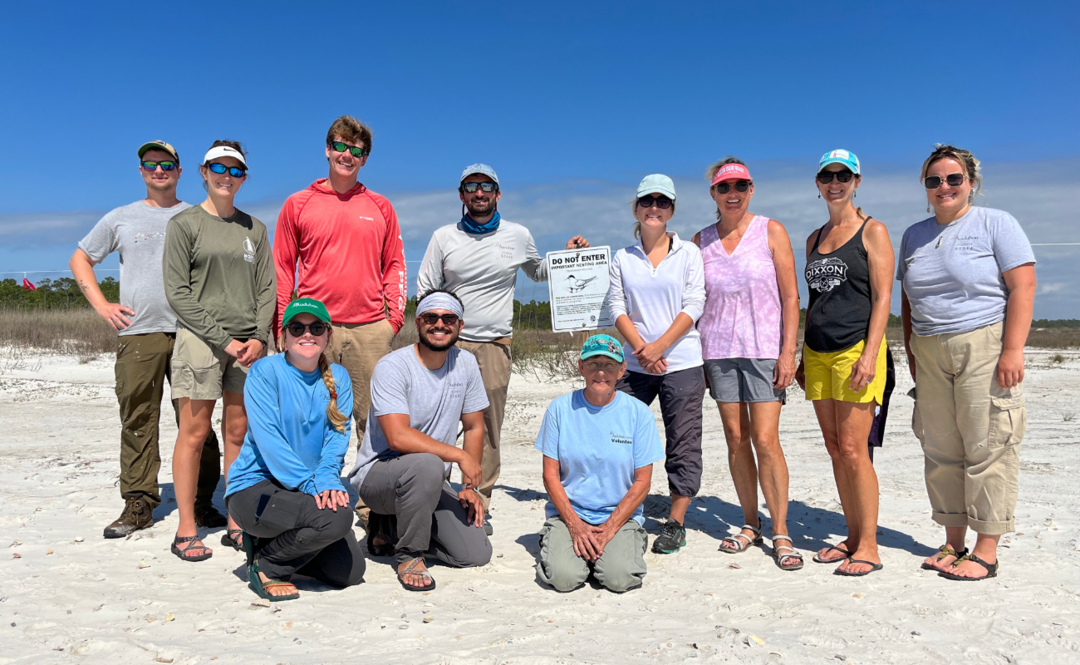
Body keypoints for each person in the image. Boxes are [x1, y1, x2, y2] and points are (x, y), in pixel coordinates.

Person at [416, 163, 588, 531]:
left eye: (487, 186)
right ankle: (433, 493)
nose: (479, 193)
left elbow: (538, 272)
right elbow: (426, 288)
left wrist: (567, 255)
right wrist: (436, 330)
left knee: (488, 427)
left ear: (498, 193)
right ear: (461, 195)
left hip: (495, 344)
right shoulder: (444, 236)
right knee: (438, 422)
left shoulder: (518, 234)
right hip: (450, 344)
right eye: (471, 187)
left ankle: (479, 498)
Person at [69, 140, 224, 538]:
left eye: (167, 164)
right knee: (138, 418)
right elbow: (80, 258)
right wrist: (103, 305)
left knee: (198, 423)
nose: (159, 170)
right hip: (140, 332)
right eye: (151, 164)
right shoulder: (121, 218)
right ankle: (138, 502)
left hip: (193, 332)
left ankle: (203, 502)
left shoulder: (197, 215)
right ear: (141, 170)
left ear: (180, 170)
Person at [899, 145, 1035, 581]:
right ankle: (952, 541)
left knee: (988, 444)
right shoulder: (914, 234)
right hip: (929, 347)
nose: (944, 187)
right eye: (934, 180)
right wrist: (912, 353)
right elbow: (907, 299)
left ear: (971, 183)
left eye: (953, 179)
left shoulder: (996, 223)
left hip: (984, 343)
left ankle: (986, 550)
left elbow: (1023, 286)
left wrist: (1013, 349)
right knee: (940, 448)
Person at [163, 141, 275, 561]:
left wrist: (259, 337)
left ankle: (236, 518)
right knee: (194, 433)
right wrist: (222, 339)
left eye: (235, 170)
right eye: (218, 168)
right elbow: (178, 292)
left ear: (244, 177)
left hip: (248, 345)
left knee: (239, 433)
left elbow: (268, 288)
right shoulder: (185, 224)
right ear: (203, 171)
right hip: (200, 341)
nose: (226, 176)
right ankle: (186, 527)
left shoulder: (255, 229)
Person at [691, 159, 802, 570]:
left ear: (751, 189)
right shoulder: (699, 240)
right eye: (724, 187)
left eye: (740, 185)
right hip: (717, 350)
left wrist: (789, 351)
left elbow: (791, 297)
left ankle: (781, 530)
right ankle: (750, 522)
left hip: (764, 349)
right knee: (736, 439)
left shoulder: (770, 230)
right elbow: (686, 295)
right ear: (713, 194)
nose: (732, 193)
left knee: (766, 440)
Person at [273, 115, 406, 450]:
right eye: (341, 147)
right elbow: (283, 269)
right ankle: (311, 495)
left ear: (364, 159)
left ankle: (372, 500)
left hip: (371, 330)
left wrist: (392, 322)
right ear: (328, 151)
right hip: (312, 328)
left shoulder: (381, 207)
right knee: (312, 417)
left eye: (356, 151)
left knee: (374, 421)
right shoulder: (297, 204)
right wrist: (281, 325)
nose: (347, 155)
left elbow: (394, 266)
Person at [348, 290, 492, 591]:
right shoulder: (393, 366)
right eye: (431, 317)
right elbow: (397, 436)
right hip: (380, 475)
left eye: (448, 318)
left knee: (476, 553)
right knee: (428, 463)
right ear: (418, 322)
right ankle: (409, 555)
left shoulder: (466, 363)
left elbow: (475, 426)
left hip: (429, 479)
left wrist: (469, 487)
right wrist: (459, 456)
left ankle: (387, 529)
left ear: (460, 326)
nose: (439, 324)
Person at [796, 149, 894, 576]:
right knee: (836, 449)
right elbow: (814, 301)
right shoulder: (813, 239)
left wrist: (871, 354)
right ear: (818, 184)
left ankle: (869, 545)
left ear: (856, 181)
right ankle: (852, 536)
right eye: (827, 176)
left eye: (843, 175)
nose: (835, 182)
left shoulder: (873, 231)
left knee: (856, 449)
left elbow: (884, 297)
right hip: (818, 352)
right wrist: (801, 354)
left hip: (856, 349)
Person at [226, 298, 365, 601]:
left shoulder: (339, 377)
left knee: (348, 571)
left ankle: (283, 541)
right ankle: (267, 564)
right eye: (297, 327)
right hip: (255, 488)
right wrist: (312, 483)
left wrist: (327, 477)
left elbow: (336, 438)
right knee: (337, 518)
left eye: (316, 327)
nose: (307, 334)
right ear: (284, 337)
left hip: (304, 489)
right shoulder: (264, 371)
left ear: (328, 335)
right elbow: (270, 441)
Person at [608, 174, 707, 555]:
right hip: (633, 363)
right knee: (617, 433)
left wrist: (661, 345)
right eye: (647, 202)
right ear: (636, 208)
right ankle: (617, 506)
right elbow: (617, 307)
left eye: (662, 203)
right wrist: (641, 348)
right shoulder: (623, 257)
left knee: (683, 441)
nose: (654, 209)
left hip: (682, 361)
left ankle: (676, 520)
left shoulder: (689, 253)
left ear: (672, 210)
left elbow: (693, 304)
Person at [535, 335, 663, 592]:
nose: (601, 372)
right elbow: (550, 475)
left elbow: (642, 482)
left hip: (620, 516)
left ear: (622, 369)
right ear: (581, 367)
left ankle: (616, 548)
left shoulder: (638, 413)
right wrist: (575, 525)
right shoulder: (559, 409)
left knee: (619, 578)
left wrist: (610, 527)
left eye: (609, 365)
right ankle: (568, 547)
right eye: (593, 364)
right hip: (570, 513)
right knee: (564, 579)